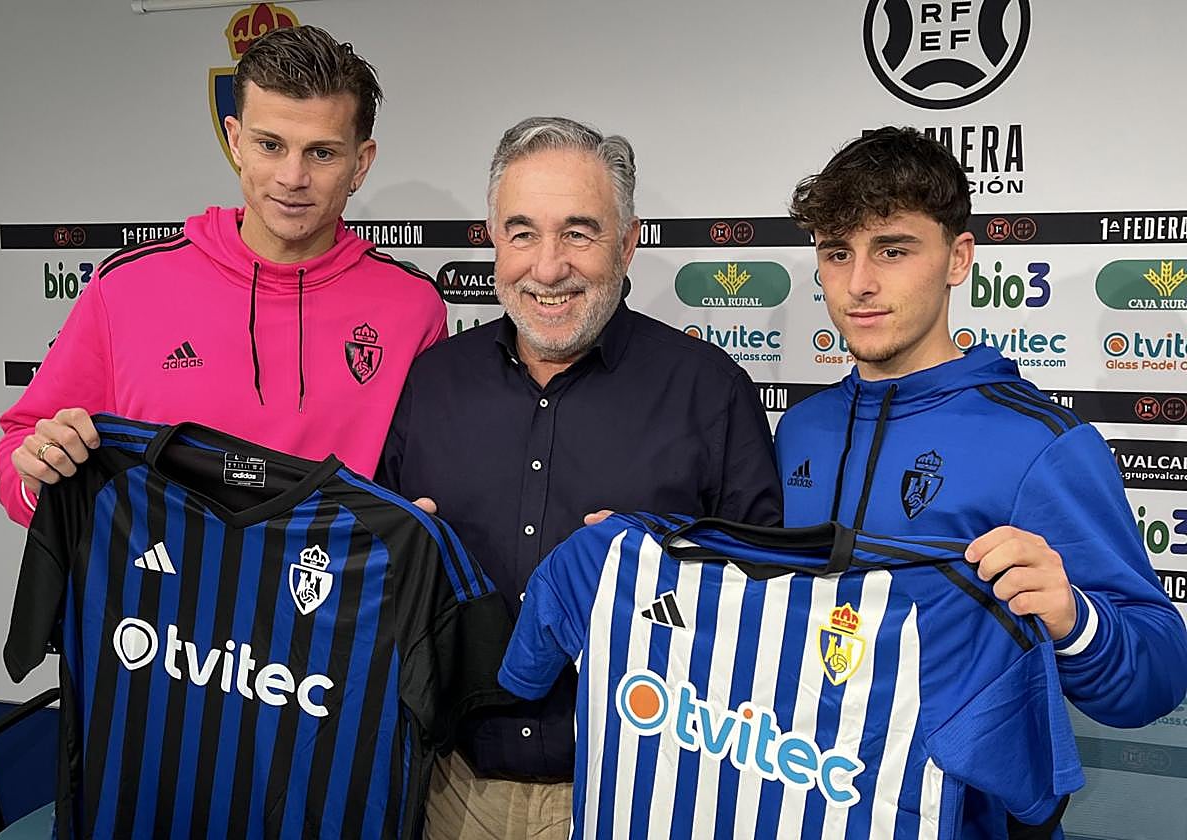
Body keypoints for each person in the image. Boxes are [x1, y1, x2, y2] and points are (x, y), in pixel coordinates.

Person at [773, 126, 1187, 838]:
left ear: (958, 258)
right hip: (797, 803)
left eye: (892, 250)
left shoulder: (1040, 443)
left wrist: (1075, 620)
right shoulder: (799, 430)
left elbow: (1158, 672)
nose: (859, 283)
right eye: (837, 253)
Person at [378, 116, 783, 839]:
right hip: (450, 792)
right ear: (493, 239)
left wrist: (668, 563)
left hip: (638, 794)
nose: (548, 265)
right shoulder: (430, 385)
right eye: (523, 231)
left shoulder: (710, 391)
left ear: (628, 243)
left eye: (579, 232)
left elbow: (763, 605)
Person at [0, 24, 445, 527]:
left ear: (360, 164)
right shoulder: (125, 288)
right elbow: (23, 458)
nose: (292, 177)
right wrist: (37, 476)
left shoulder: (413, 307)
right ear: (234, 141)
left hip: (331, 599)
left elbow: (428, 481)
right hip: (160, 597)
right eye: (270, 145)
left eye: (322, 152)